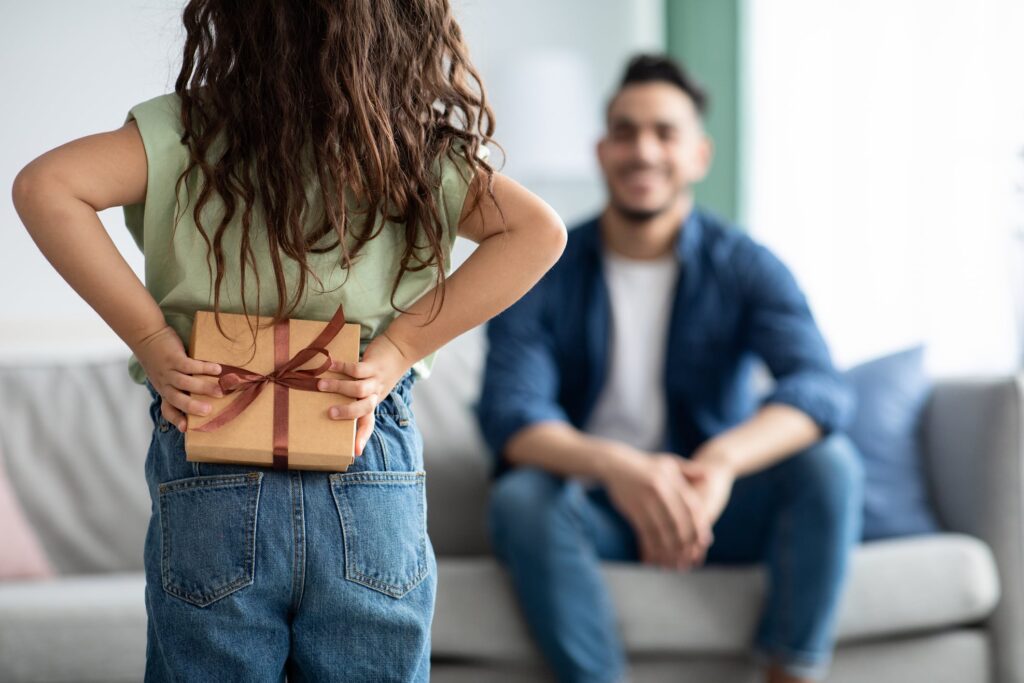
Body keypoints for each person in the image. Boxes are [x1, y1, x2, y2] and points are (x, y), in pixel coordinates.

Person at [12, 2, 566, 681]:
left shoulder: (185, 130)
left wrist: (155, 339)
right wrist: (392, 352)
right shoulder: (407, 147)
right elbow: (540, 232)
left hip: (213, 428)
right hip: (365, 438)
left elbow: (45, 186)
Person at [477, 54, 863, 683]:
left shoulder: (745, 264)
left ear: (699, 155)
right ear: (601, 151)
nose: (643, 151)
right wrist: (620, 467)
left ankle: (788, 671)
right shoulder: (542, 270)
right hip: (598, 508)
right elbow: (511, 416)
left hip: (712, 507)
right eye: (625, 132)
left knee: (830, 465)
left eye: (665, 133)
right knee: (521, 498)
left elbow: (820, 388)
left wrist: (720, 464)